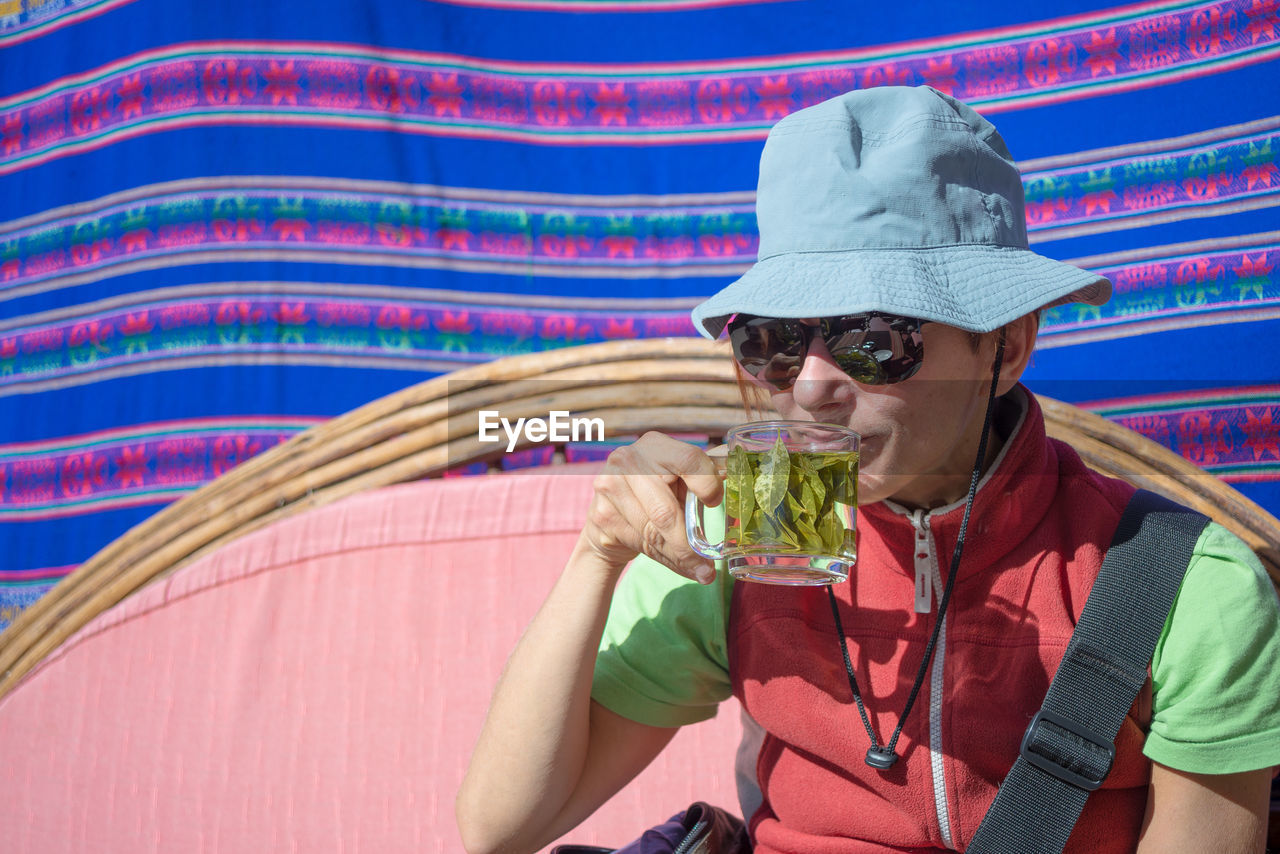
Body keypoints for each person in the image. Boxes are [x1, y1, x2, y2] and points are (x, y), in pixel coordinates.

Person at [455, 86, 1280, 853]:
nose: (811, 384)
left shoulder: (1181, 585)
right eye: (772, 342)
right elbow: (503, 826)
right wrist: (597, 552)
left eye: (873, 338)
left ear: (1008, 343)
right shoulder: (732, 540)